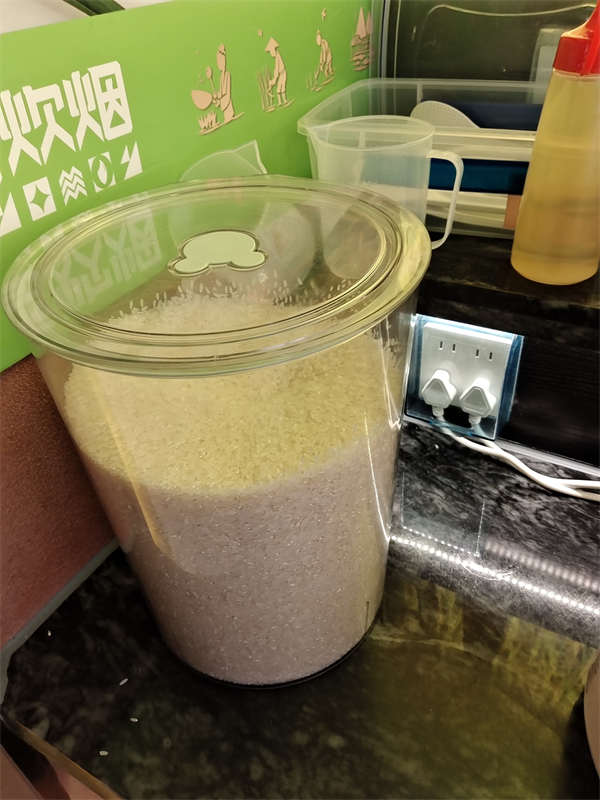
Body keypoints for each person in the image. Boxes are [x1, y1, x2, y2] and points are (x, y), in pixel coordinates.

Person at [214, 44, 235, 123]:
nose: (219, 64)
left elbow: (225, 90)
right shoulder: (221, 76)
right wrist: (217, 98)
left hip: (226, 98)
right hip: (223, 99)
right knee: (224, 106)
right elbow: (221, 91)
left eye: (221, 61)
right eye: (218, 62)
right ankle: (227, 117)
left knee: (227, 107)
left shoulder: (227, 74)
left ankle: (229, 116)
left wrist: (220, 94)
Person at [265, 38, 288, 106]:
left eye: (271, 52)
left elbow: (277, 68)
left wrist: (274, 80)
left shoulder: (278, 56)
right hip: (281, 74)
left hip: (283, 73)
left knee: (282, 87)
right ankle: (280, 102)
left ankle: (284, 101)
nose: (271, 54)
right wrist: (274, 79)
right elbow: (276, 69)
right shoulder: (277, 57)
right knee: (279, 88)